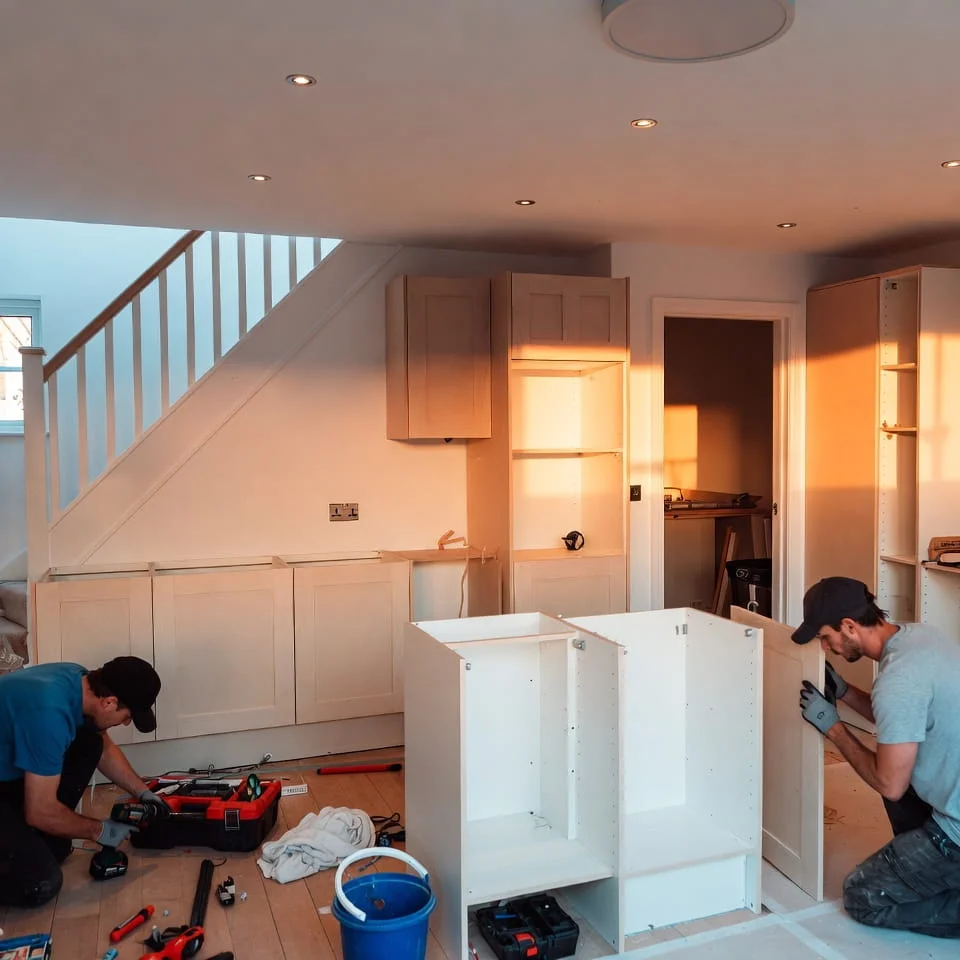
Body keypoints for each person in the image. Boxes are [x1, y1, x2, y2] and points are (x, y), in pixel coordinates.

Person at [792, 576, 960, 938]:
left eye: (826, 637)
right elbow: (903, 718)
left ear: (849, 627)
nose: (826, 647)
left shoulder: (897, 680)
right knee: (899, 770)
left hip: (957, 830)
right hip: (953, 797)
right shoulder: (919, 637)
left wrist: (832, 728)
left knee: (862, 896)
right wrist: (844, 692)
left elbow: (890, 784)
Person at [0, 656, 168, 907]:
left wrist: (144, 792)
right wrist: (98, 831)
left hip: (9, 769)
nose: (126, 722)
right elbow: (39, 812)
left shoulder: (79, 678)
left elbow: (105, 749)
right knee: (41, 881)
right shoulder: (49, 717)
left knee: (90, 742)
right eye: (126, 716)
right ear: (109, 703)